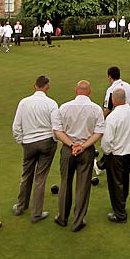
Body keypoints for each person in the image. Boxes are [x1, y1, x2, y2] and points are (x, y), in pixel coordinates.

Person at [51, 80, 105, 232]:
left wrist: (71, 144)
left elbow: (57, 130)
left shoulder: (64, 107)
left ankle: (62, 217)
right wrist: (82, 146)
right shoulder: (95, 109)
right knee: (83, 186)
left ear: (76, 90)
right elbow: (99, 132)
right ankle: (78, 221)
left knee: (65, 182)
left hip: (69, 149)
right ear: (89, 91)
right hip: (86, 150)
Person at [11, 75, 59, 223]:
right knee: (40, 178)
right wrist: (54, 141)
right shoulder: (51, 104)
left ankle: (20, 206)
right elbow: (56, 127)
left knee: (26, 175)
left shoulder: (24, 102)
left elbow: (16, 126)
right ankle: (36, 213)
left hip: (29, 143)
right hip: (46, 143)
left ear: (34, 86)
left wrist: (22, 141)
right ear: (47, 87)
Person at [101, 88, 130, 223]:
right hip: (129, 153)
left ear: (113, 100)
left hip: (116, 154)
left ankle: (120, 214)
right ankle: (122, 204)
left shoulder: (112, 116)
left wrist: (107, 152)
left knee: (116, 184)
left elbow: (107, 140)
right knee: (124, 180)